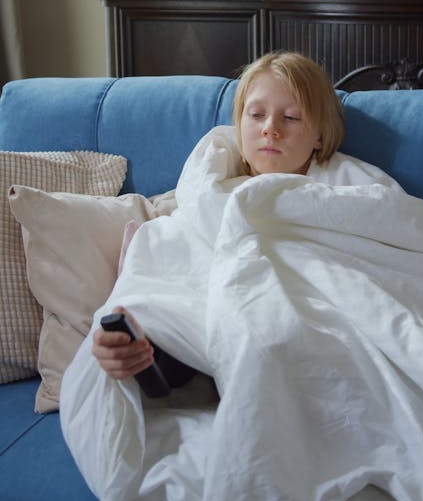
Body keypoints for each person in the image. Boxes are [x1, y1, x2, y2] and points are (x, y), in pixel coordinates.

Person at [91, 51, 396, 387]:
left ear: (320, 136)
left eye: (291, 118)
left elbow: (390, 224)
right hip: (205, 315)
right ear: (239, 124)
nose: (270, 130)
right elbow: (180, 244)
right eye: (256, 115)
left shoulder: (343, 186)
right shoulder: (214, 187)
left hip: (291, 314)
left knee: (270, 323)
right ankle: (145, 351)